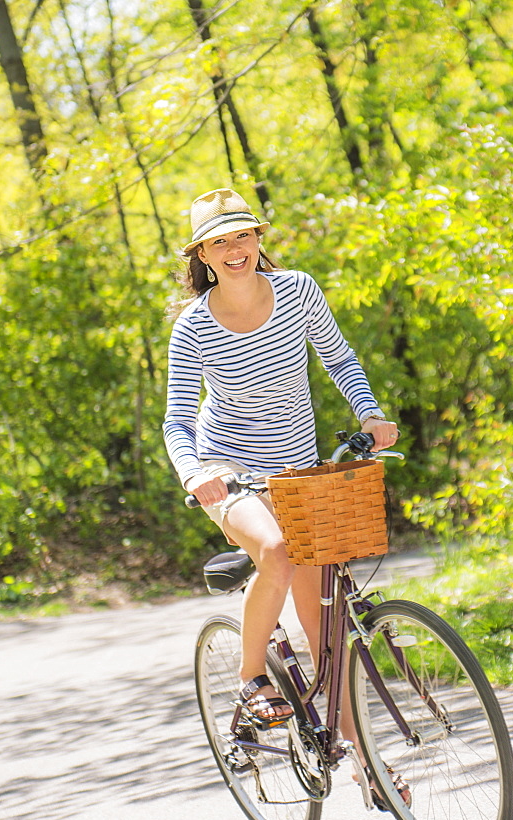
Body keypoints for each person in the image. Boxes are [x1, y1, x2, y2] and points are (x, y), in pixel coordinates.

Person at [162, 188, 399, 732]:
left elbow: (339, 357)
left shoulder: (297, 292)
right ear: (202, 255)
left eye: (243, 235)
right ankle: (252, 682)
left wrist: (370, 414)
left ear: (258, 239)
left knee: (325, 636)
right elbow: (177, 420)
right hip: (230, 473)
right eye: (219, 242)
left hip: (298, 472)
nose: (234, 249)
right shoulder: (193, 326)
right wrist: (197, 473)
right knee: (275, 550)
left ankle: (369, 769)